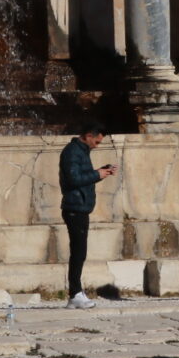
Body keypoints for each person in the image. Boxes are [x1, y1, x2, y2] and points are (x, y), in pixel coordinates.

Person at [58, 122, 117, 310]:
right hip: (74, 208)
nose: (96, 145)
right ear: (89, 135)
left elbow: (81, 176)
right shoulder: (72, 152)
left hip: (81, 208)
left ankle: (75, 294)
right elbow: (74, 179)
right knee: (78, 252)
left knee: (79, 252)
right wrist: (97, 174)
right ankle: (75, 294)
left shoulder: (80, 151)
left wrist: (101, 171)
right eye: (97, 142)